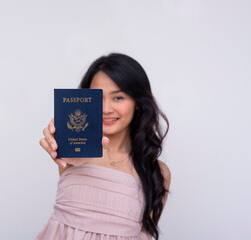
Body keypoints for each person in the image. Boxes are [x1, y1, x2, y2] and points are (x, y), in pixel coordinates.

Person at [37, 53, 171, 240]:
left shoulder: (157, 172)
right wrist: (58, 144)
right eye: (97, 97)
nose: (106, 108)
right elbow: (67, 161)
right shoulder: (73, 155)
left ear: (138, 103)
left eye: (118, 98)